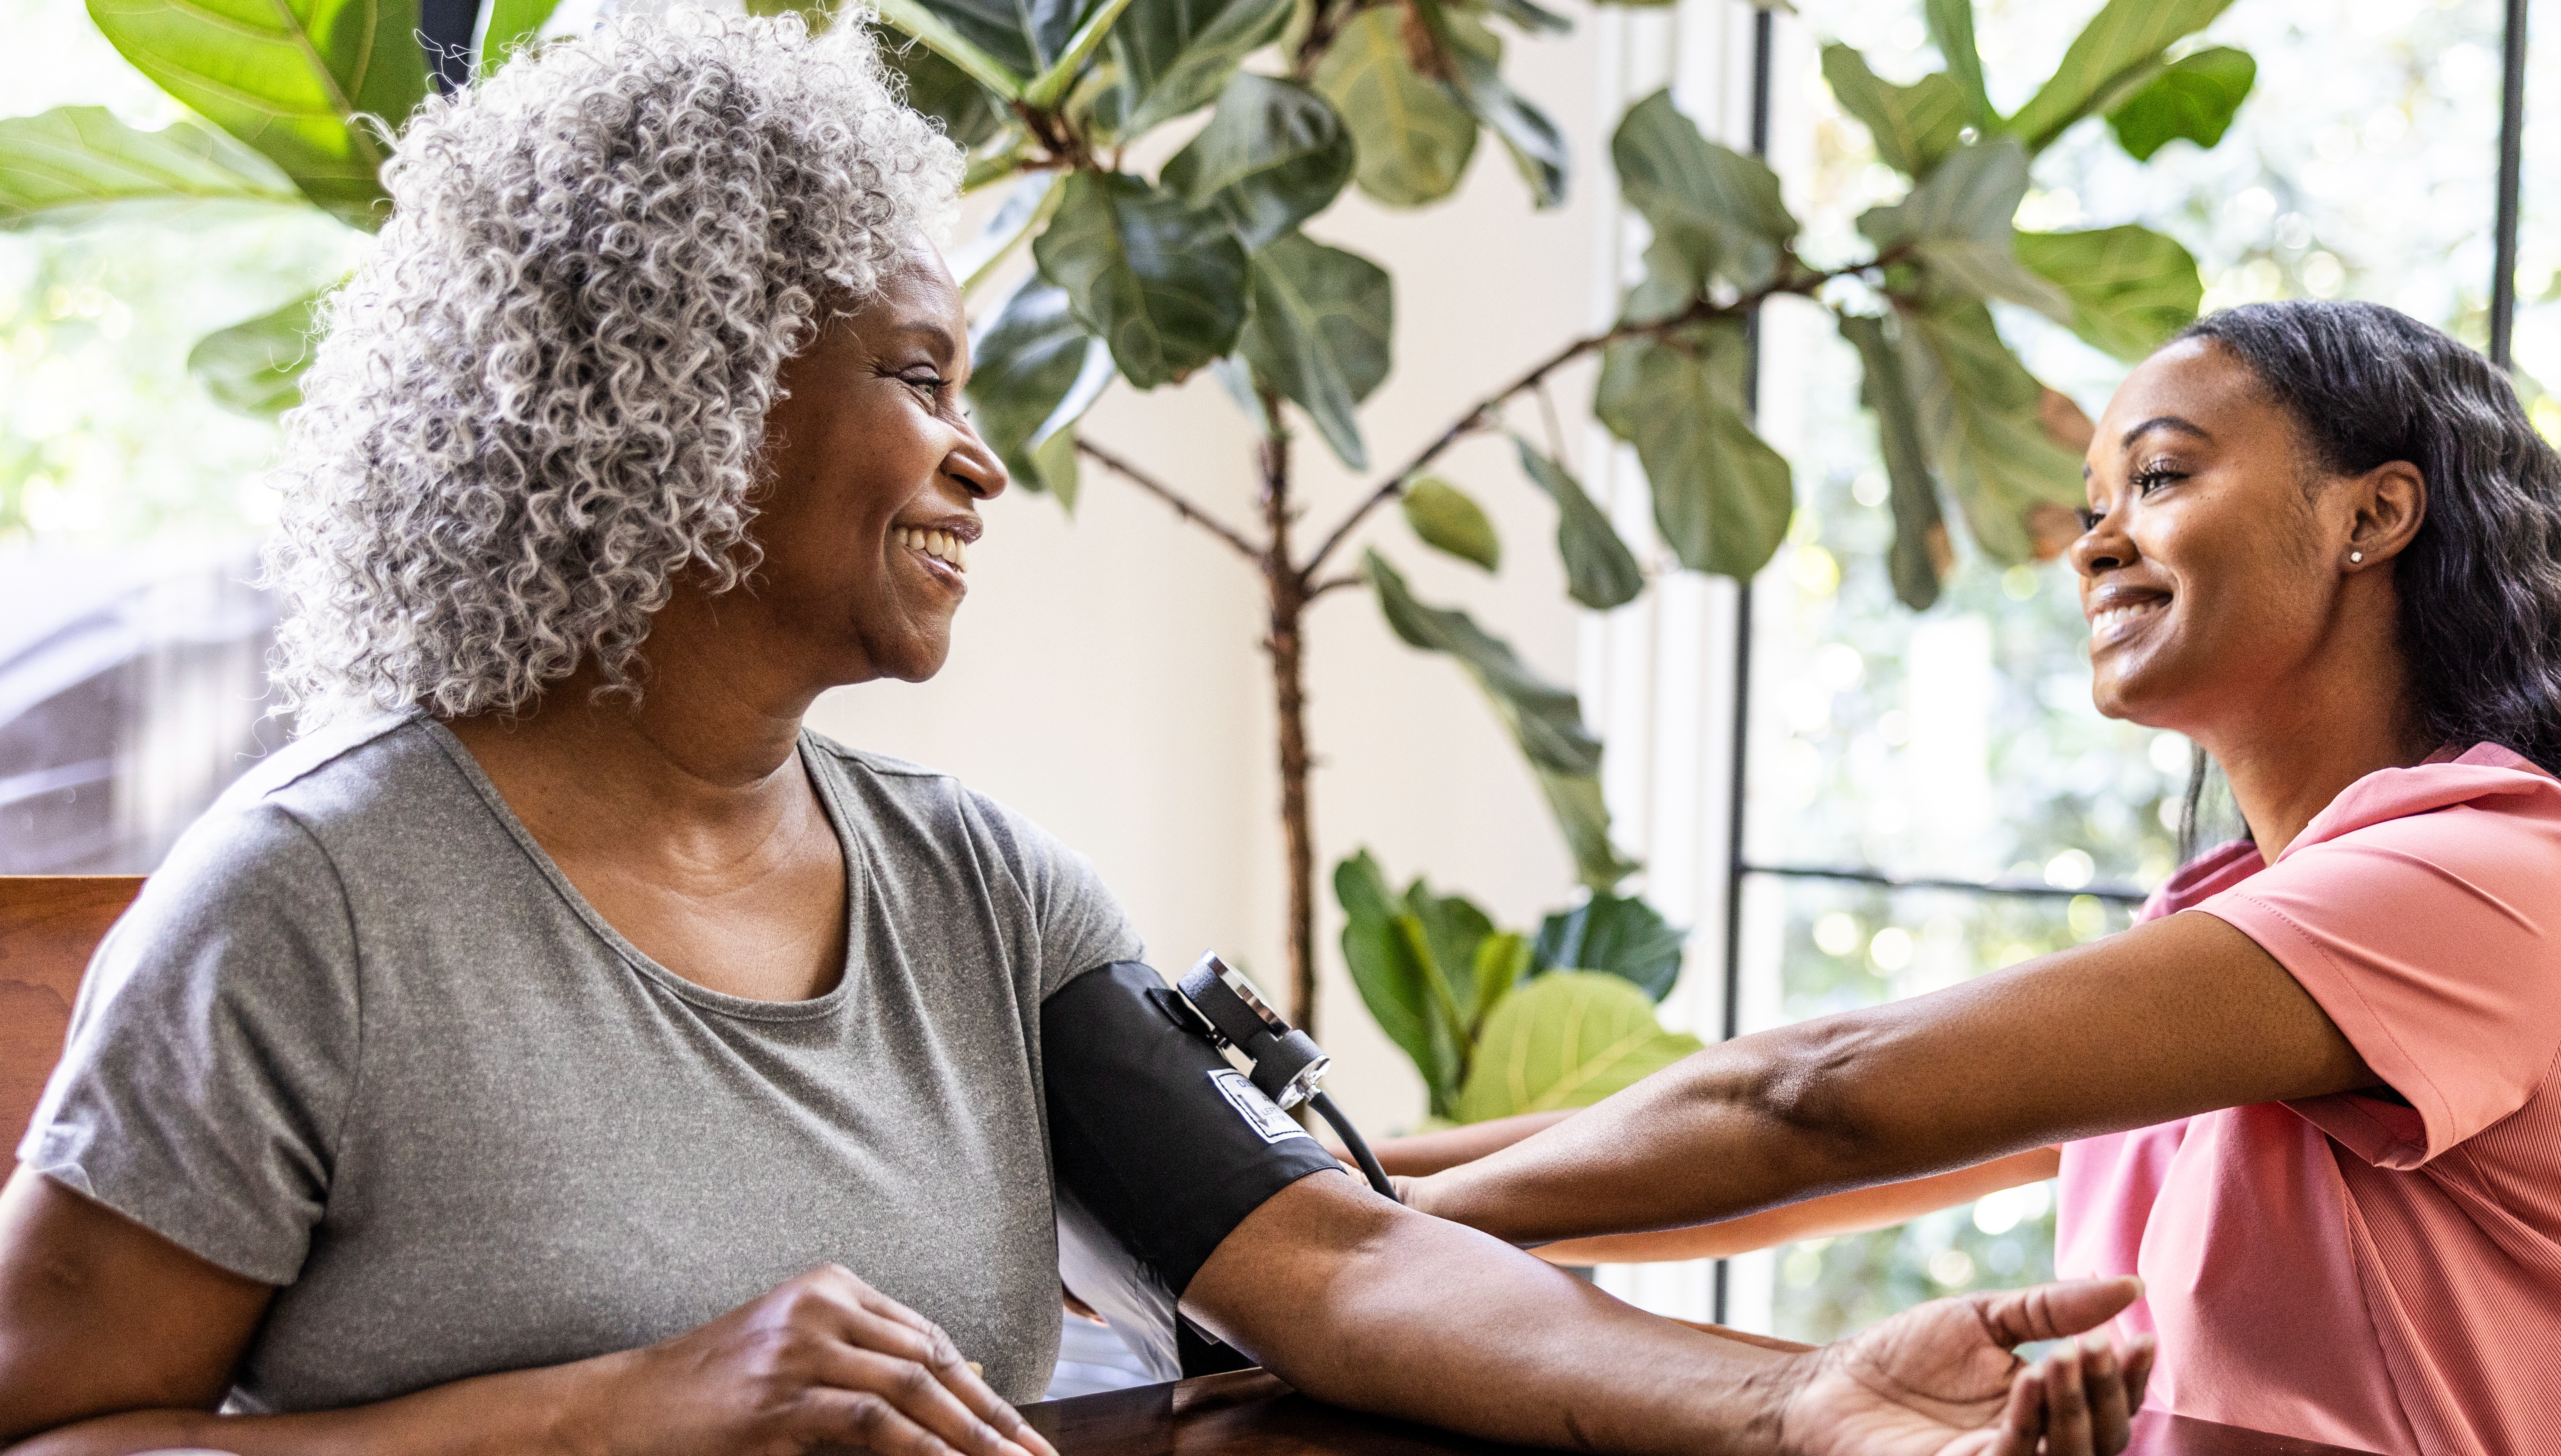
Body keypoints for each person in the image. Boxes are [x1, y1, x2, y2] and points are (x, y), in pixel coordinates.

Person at [0, 13, 2153, 1453]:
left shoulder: (978, 883)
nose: (980, 459)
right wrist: (626, 1407)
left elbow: (1334, 1259)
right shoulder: (311, 906)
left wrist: (1804, 1405)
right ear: (683, 384)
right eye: (919, 377)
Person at [1393, 301, 2561, 1455]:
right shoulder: (2240, 919)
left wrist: (1311, 1216)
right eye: (2095, 496)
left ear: (2375, 513)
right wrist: (1365, 1175)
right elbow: (1821, 1165)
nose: (2094, 539)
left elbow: (1824, 1097)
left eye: (2159, 477)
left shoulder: (2490, 866)